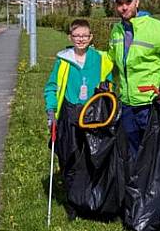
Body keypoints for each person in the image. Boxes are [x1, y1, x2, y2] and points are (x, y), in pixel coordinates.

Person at [43, 19, 114, 220]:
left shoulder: (101, 59)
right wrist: (51, 110)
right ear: (70, 38)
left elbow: (109, 82)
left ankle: (92, 199)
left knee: (93, 157)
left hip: (93, 114)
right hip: (70, 113)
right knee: (69, 157)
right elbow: (51, 87)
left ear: (91, 38)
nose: (81, 39)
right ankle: (73, 201)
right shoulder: (63, 60)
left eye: (84, 36)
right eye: (77, 36)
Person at [106, 0, 160, 159]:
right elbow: (111, 61)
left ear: (137, 2)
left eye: (128, 2)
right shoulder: (116, 31)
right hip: (126, 103)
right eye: (119, 3)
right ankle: (136, 184)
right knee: (132, 151)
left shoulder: (157, 28)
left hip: (151, 102)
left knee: (155, 153)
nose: (124, 7)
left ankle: (156, 186)